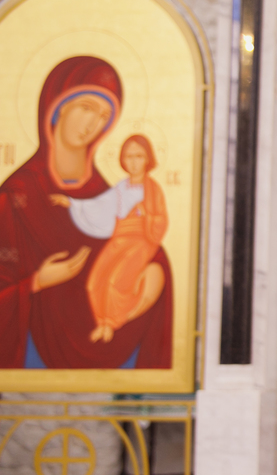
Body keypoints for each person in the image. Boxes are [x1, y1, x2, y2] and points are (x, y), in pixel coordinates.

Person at [0, 56, 172, 369]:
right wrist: (36, 282)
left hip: (113, 339)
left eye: (104, 116)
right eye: (87, 108)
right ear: (57, 107)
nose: (93, 124)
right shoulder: (17, 194)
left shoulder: (105, 193)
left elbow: (141, 245)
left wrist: (156, 269)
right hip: (32, 353)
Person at [51, 134, 168, 344]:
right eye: (129, 156)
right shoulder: (121, 188)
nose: (134, 162)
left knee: (116, 280)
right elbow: (99, 206)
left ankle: (112, 323)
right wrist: (72, 203)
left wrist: (145, 215)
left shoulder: (153, 190)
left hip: (142, 241)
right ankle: (102, 323)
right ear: (122, 160)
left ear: (148, 159)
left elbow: (161, 220)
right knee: (94, 282)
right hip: (118, 239)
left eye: (139, 156)